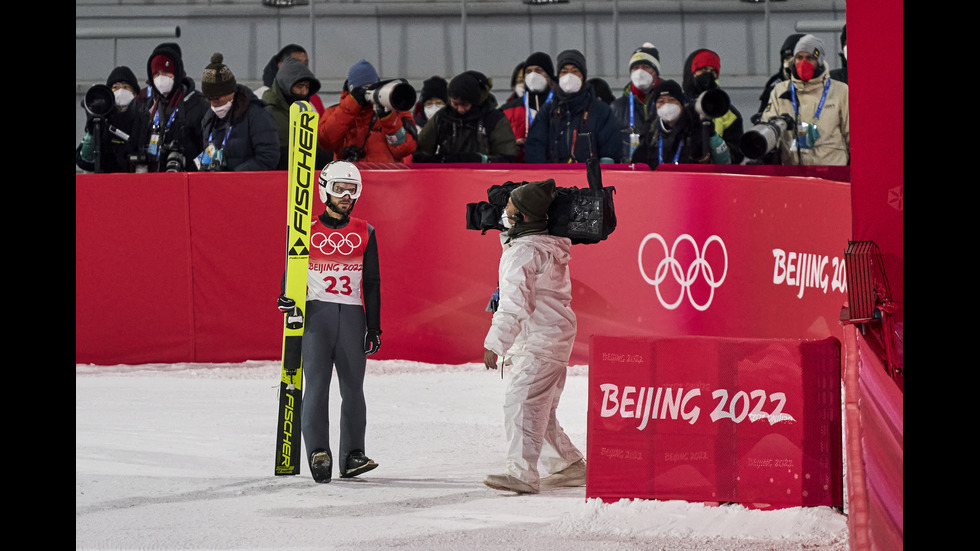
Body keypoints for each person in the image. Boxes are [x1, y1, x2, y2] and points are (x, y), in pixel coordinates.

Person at [277, 161, 382, 484]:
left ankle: (352, 455)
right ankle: (318, 452)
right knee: (317, 387)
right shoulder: (305, 231)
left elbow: (372, 282)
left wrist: (374, 326)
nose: (347, 196)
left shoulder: (365, 230)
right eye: (340, 189)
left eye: (352, 190)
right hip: (316, 317)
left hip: (352, 315)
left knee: (353, 390)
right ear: (325, 189)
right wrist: (284, 295)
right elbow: (291, 273)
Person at [482, 179, 586, 494]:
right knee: (541, 409)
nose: (503, 213)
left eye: (509, 210)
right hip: (554, 338)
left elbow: (515, 305)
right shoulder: (546, 244)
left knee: (522, 404)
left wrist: (494, 343)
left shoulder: (523, 252)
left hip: (540, 341)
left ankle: (523, 473)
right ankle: (569, 466)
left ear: (523, 218)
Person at [759, 34, 849, 166]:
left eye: (809, 58)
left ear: (819, 61)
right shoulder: (780, 90)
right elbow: (770, 133)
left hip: (832, 174)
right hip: (794, 175)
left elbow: (851, 137)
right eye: (799, 57)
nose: (803, 63)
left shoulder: (840, 91)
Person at [524, 49, 622, 163]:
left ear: (583, 76)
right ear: (559, 76)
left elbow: (610, 149)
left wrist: (601, 174)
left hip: (589, 177)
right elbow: (535, 146)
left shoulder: (601, 110)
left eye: (575, 71)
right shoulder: (548, 110)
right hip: (554, 176)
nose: (569, 76)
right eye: (564, 71)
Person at [318, 59, 418, 163]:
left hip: (387, 178)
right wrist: (351, 105)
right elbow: (326, 142)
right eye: (363, 89)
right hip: (348, 178)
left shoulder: (395, 111)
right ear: (352, 90)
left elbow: (406, 149)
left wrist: (389, 119)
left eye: (372, 87)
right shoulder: (334, 112)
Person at [131, 42, 210, 172]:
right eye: (156, 74)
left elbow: (213, 149)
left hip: (189, 181)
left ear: (177, 73)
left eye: (167, 73)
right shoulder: (148, 107)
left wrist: (192, 167)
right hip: (153, 181)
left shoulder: (199, 105)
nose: (161, 78)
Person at [195, 53, 279, 171]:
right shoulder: (210, 117)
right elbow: (207, 151)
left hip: (247, 185)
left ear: (231, 93)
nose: (213, 104)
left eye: (217, 99)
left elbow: (268, 157)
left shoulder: (256, 115)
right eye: (209, 99)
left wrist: (234, 177)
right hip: (216, 185)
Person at [413, 70, 518, 163]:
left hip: (486, 179)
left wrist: (480, 160)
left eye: (465, 104)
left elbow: (508, 158)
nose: (460, 109)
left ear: (475, 101)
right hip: (447, 178)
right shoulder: (442, 118)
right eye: (455, 104)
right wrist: (438, 160)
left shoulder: (494, 119)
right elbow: (420, 151)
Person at [631, 79, 731, 169]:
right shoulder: (651, 132)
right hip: (658, 186)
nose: (666, 105)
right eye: (661, 101)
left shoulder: (696, 127)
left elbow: (724, 162)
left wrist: (711, 134)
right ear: (656, 106)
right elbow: (637, 165)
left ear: (681, 104)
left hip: (691, 185)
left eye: (671, 100)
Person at [263, 56, 332, 170]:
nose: (304, 92)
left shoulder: (307, 110)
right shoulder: (266, 113)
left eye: (307, 87)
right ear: (285, 84)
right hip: (277, 177)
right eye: (299, 86)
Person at [76, 66, 145, 173]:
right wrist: (92, 132)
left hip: (134, 180)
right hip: (105, 181)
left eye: (126, 87)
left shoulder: (143, 118)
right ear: (109, 94)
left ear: (135, 94)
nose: (120, 91)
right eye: (115, 87)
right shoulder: (101, 119)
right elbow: (84, 160)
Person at [681, 48, 745, 164]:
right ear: (692, 73)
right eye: (703, 69)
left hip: (716, 176)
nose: (708, 75)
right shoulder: (677, 106)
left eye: (713, 71)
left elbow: (736, 155)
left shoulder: (729, 113)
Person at [610, 43, 662, 163]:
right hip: (629, 172)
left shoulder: (670, 102)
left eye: (645, 67)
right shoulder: (617, 107)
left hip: (661, 171)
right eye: (635, 67)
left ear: (656, 72)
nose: (640, 72)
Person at [500, 52, 557, 160]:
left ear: (549, 75)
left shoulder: (560, 107)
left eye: (538, 71)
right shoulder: (508, 110)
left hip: (554, 170)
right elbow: (498, 144)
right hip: (519, 171)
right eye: (528, 71)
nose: (533, 75)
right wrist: (512, 147)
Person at [255, 44, 326, 114]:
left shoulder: (313, 99)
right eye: (295, 63)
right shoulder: (258, 97)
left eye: (305, 64)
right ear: (281, 66)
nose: (302, 67)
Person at [756, 34, 805, 117]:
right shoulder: (774, 87)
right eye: (787, 58)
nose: (790, 63)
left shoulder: (825, 85)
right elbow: (763, 119)